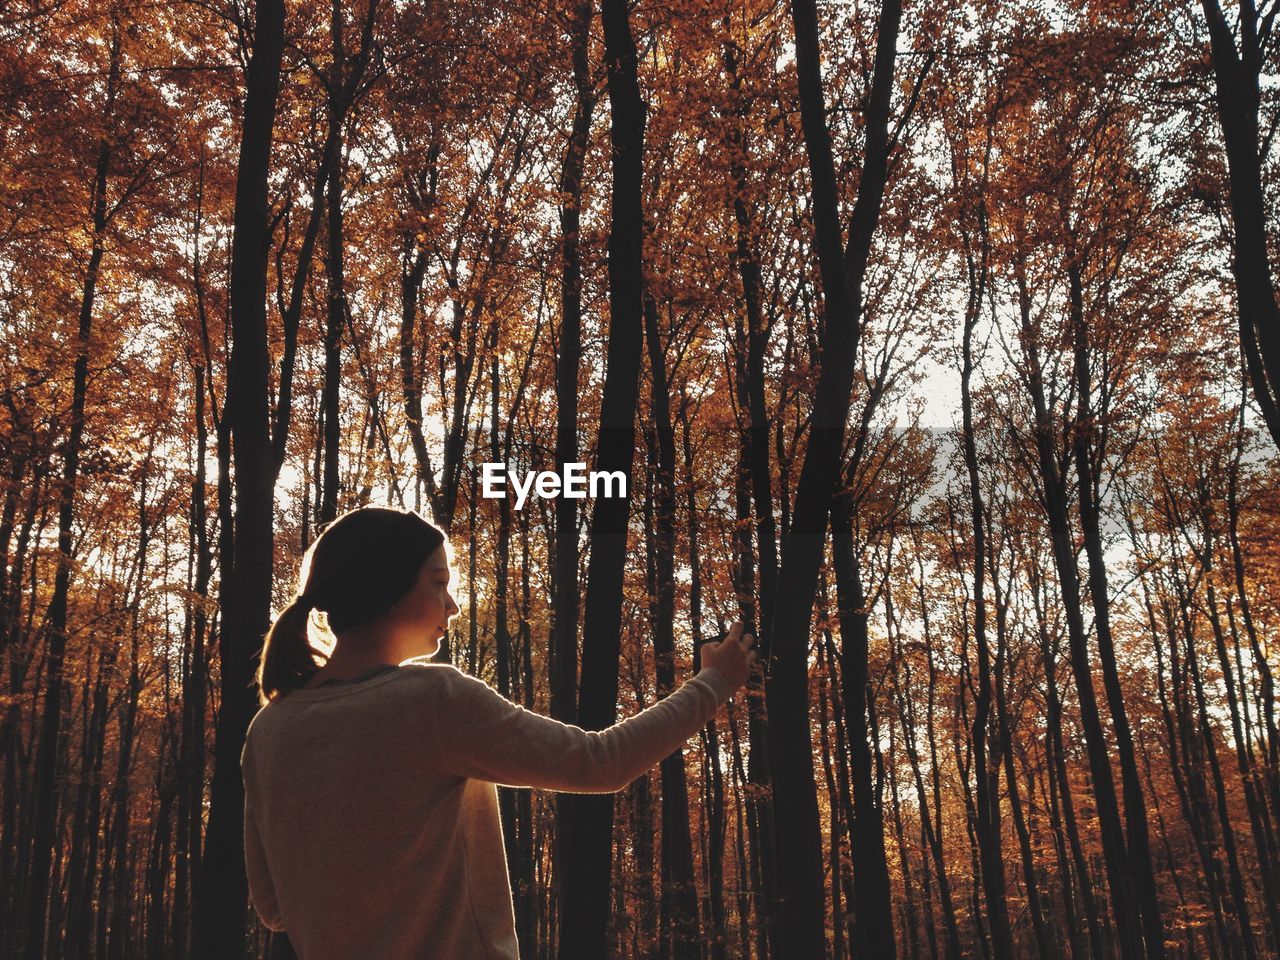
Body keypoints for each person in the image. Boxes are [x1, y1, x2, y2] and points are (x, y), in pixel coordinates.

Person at [242, 505, 756, 960]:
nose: (453, 605)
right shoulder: (432, 701)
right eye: (439, 583)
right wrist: (714, 683)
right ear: (389, 590)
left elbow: (272, 908)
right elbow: (601, 762)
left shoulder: (269, 731)